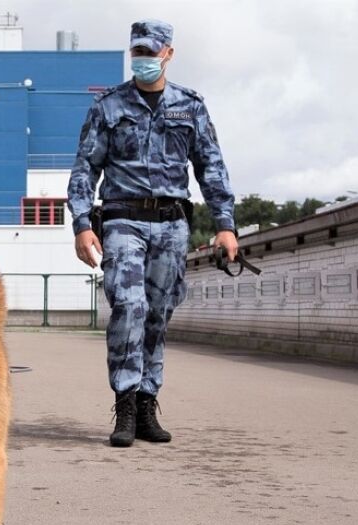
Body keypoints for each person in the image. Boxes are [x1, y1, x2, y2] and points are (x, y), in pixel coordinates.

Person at [67, 19, 238, 447]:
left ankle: (147, 403)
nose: (143, 60)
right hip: (123, 219)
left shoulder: (190, 106)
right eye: (137, 52)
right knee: (128, 305)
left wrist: (226, 227)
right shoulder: (108, 106)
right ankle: (124, 405)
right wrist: (83, 225)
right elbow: (85, 168)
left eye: (150, 52)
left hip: (172, 224)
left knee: (158, 314)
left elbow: (211, 168)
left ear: (168, 54)